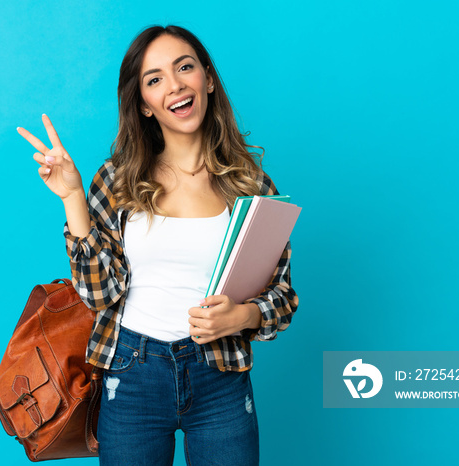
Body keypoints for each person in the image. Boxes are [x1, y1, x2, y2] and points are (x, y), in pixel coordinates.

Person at [17, 25, 298, 466]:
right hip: (131, 374)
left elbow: (282, 295)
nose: (174, 85)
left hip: (220, 377)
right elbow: (98, 294)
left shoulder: (252, 187)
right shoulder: (117, 179)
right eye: (154, 79)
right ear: (144, 105)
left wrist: (242, 316)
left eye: (184, 67)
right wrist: (73, 198)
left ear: (207, 79)